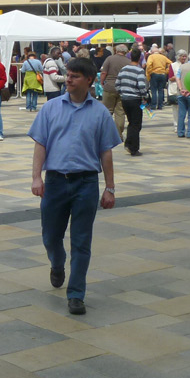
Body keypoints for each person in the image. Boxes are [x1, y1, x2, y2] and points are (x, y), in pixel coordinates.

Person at [29, 57, 119, 315]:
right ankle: (57, 264)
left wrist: (109, 188)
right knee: (50, 237)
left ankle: (76, 294)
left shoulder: (100, 112)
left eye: (75, 76)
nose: (68, 79)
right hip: (56, 182)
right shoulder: (51, 108)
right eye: (67, 74)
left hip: (86, 183)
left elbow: (106, 152)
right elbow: (40, 144)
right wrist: (37, 177)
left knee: (81, 241)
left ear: (89, 80)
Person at [116, 48, 148, 156]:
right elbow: (142, 86)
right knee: (136, 124)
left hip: (125, 99)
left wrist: (122, 93)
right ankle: (133, 147)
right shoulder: (139, 70)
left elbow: (117, 84)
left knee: (131, 122)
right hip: (135, 99)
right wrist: (145, 96)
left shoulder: (123, 69)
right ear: (140, 58)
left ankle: (129, 143)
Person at [100, 44, 129, 139]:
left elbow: (104, 72)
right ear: (125, 51)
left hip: (110, 86)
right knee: (120, 112)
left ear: (116, 50)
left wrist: (102, 82)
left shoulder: (109, 59)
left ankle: (106, 134)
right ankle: (118, 134)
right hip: (123, 88)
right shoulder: (128, 61)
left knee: (107, 111)